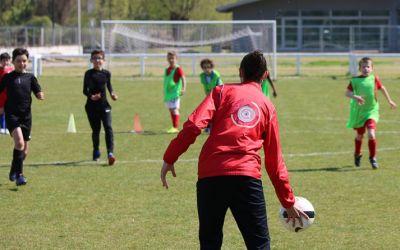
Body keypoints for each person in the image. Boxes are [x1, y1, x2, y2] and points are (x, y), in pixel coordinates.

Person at [160, 51, 308, 249]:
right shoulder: (267, 106)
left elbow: (195, 126)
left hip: (210, 176)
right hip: (247, 179)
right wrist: (288, 201)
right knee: (259, 245)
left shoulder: (220, 92)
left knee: (210, 243)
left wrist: (170, 157)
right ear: (265, 75)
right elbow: (274, 161)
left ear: (240, 72)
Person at [0, 48, 44, 186]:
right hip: (12, 115)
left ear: (27, 62)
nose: (21, 63)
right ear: (13, 62)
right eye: (18, 61)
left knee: (24, 150)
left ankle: (14, 168)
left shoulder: (30, 77)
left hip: (26, 117)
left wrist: (40, 95)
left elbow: (38, 91)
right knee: (19, 143)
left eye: (24, 61)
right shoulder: (7, 78)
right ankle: (20, 176)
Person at [346, 57, 396, 169]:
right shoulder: (355, 80)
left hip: (371, 111)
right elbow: (347, 93)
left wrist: (390, 100)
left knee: (371, 134)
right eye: (363, 67)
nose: (366, 69)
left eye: (368, 66)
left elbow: (382, 88)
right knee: (359, 136)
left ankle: (373, 158)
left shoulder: (374, 79)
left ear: (372, 68)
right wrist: (356, 96)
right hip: (359, 113)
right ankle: (357, 154)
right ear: (359, 68)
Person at [83, 49, 118, 165]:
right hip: (91, 107)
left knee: (108, 127)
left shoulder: (107, 73)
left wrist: (112, 93)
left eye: (100, 58)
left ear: (104, 60)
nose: (97, 60)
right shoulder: (88, 74)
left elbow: (109, 86)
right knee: (96, 130)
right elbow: (85, 90)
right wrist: (91, 96)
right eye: (95, 58)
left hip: (104, 106)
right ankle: (96, 151)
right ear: (91, 60)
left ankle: (110, 153)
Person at [163, 51, 187, 134]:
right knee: (170, 109)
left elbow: (183, 78)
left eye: (172, 58)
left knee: (174, 109)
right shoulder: (167, 69)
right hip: (168, 94)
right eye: (169, 58)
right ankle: (173, 126)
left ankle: (175, 127)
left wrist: (183, 88)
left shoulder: (178, 69)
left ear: (176, 59)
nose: (171, 60)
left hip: (175, 93)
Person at [199, 58, 223, 133]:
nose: (207, 69)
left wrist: (215, 98)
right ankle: (208, 127)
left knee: (215, 113)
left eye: (208, 67)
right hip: (209, 96)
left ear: (212, 67)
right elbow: (206, 87)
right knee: (208, 112)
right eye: (205, 67)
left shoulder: (216, 75)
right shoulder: (202, 76)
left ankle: (214, 128)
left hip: (218, 96)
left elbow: (219, 87)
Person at [0, 52, 13, 134]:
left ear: (9, 61)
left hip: (9, 94)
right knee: (1, 111)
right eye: (3, 60)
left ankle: (8, 128)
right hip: (1, 94)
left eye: (7, 60)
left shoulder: (11, 70)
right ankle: (2, 127)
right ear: (0, 61)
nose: (5, 62)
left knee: (9, 111)